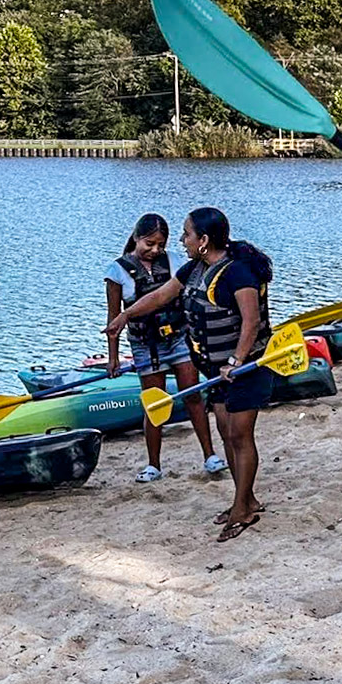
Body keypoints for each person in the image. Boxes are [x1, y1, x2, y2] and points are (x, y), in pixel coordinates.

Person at [107, 207, 273, 542]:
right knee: (227, 432)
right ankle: (246, 499)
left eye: (186, 234)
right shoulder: (196, 268)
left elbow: (251, 321)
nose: (182, 241)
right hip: (216, 370)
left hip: (245, 368)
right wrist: (125, 317)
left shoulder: (238, 273)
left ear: (204, 240)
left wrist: (237, 361)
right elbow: (159, 296)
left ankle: (243, 509)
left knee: (240, 436)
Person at [103, 212, 226, 482]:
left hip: (179, 338)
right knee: (154, 404)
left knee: (193, 395)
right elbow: (113, 319)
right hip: (145, 345)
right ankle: (153, 465)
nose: (155, 250)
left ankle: (210, 456)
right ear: (136, 238)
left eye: (160, 244)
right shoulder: (117, 271)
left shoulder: (174, 262)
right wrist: (113, 358)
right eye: (149, 244)